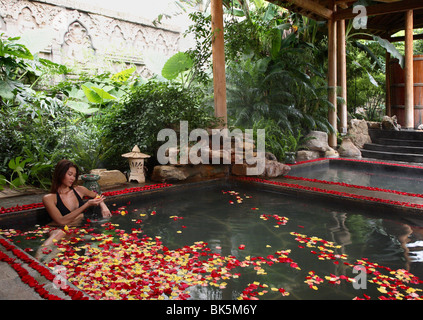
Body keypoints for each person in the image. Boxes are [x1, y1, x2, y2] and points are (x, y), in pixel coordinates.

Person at [41, 159, 111, 245]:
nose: (72, 178)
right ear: (60, 174)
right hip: (56, 228)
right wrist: (87, 204)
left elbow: (96, 195)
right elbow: (61, 221)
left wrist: (103, 206)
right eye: (69, 174)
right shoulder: (49, 198)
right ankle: (35, 258)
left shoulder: (79, 190)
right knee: (60, 233)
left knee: (65, 241)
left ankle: (40, 258)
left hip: (71, 229)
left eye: (74, 176)